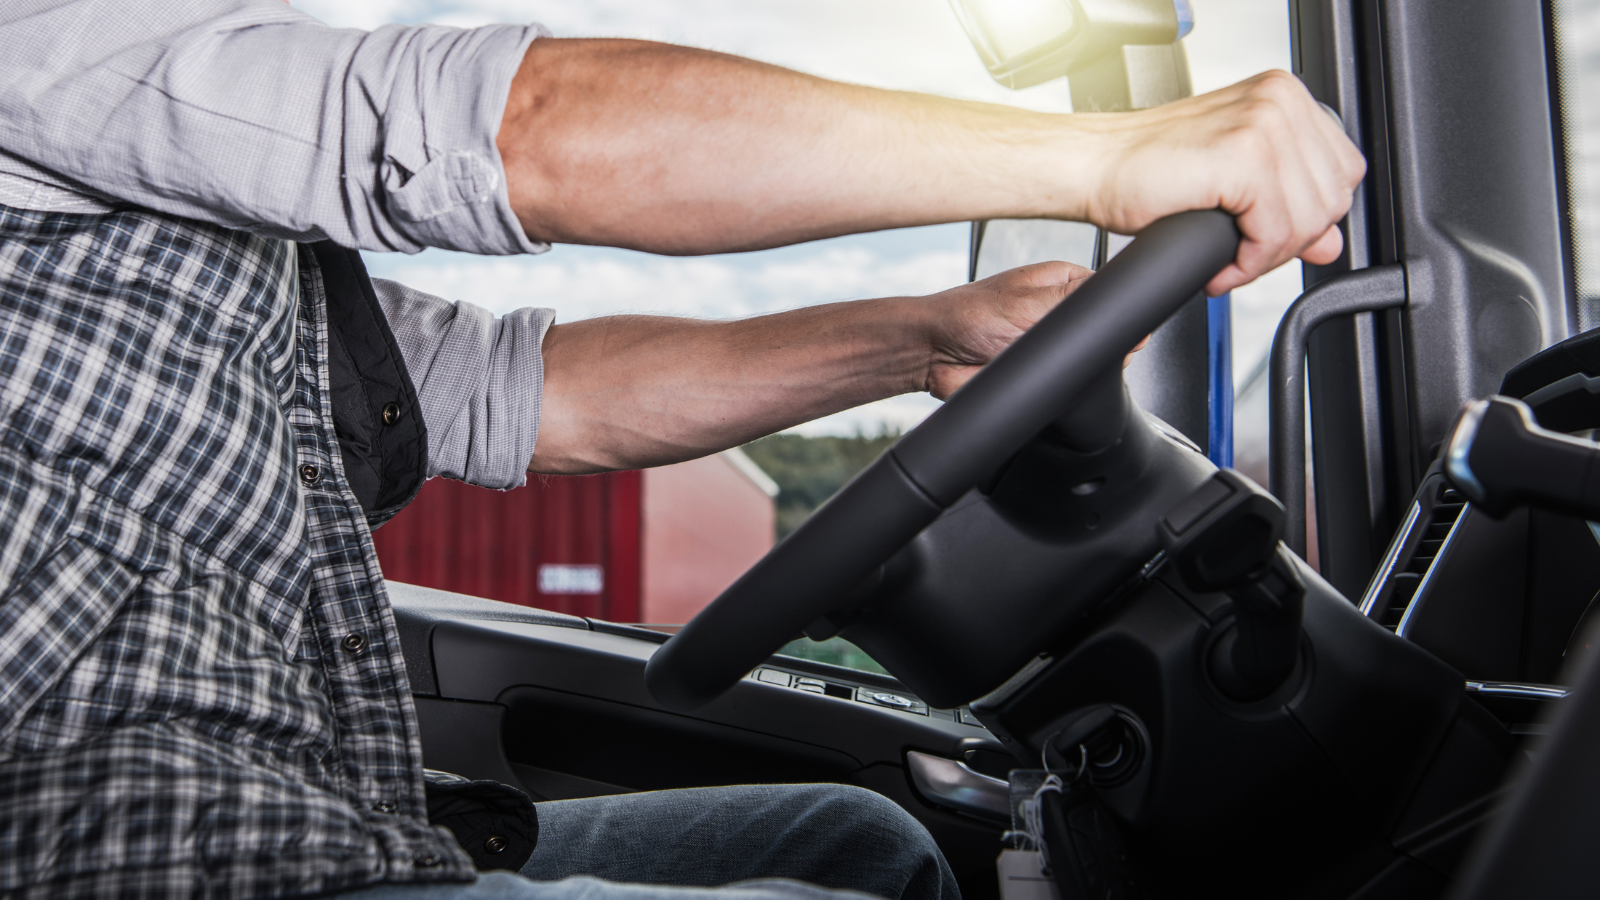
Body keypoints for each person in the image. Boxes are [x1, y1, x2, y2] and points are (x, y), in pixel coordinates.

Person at [0, 2, 1364, 898]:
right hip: (129, 848)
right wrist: (1106, 157)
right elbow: (520, 136)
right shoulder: (51, 46)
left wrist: (920, 334)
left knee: (858, 847)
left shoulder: (187, 224)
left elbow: (522, 390)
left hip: (296, 810)